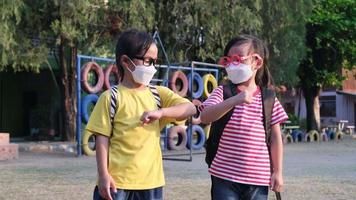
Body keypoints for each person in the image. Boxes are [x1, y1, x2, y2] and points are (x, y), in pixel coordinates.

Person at [85, 29, 196, 200]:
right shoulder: (110, 98)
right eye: (147, 61)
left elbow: (189, 108)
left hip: (151, 183)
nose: (152, 67)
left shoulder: (158, 94)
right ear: (126, 61)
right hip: (117, 183)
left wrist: (161, 112)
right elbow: (102, 139)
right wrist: (103, 175)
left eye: (154, 62)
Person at [200, 34, 288, 200]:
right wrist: (234, 100)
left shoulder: (268, 98)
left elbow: (276, 138)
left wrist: (278, 172)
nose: (233, 65)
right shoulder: (222, 92)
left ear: (257, 62)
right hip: (224, 176)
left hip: (258, 179)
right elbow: (205, 116)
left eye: (238, 59)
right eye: (229, 60)